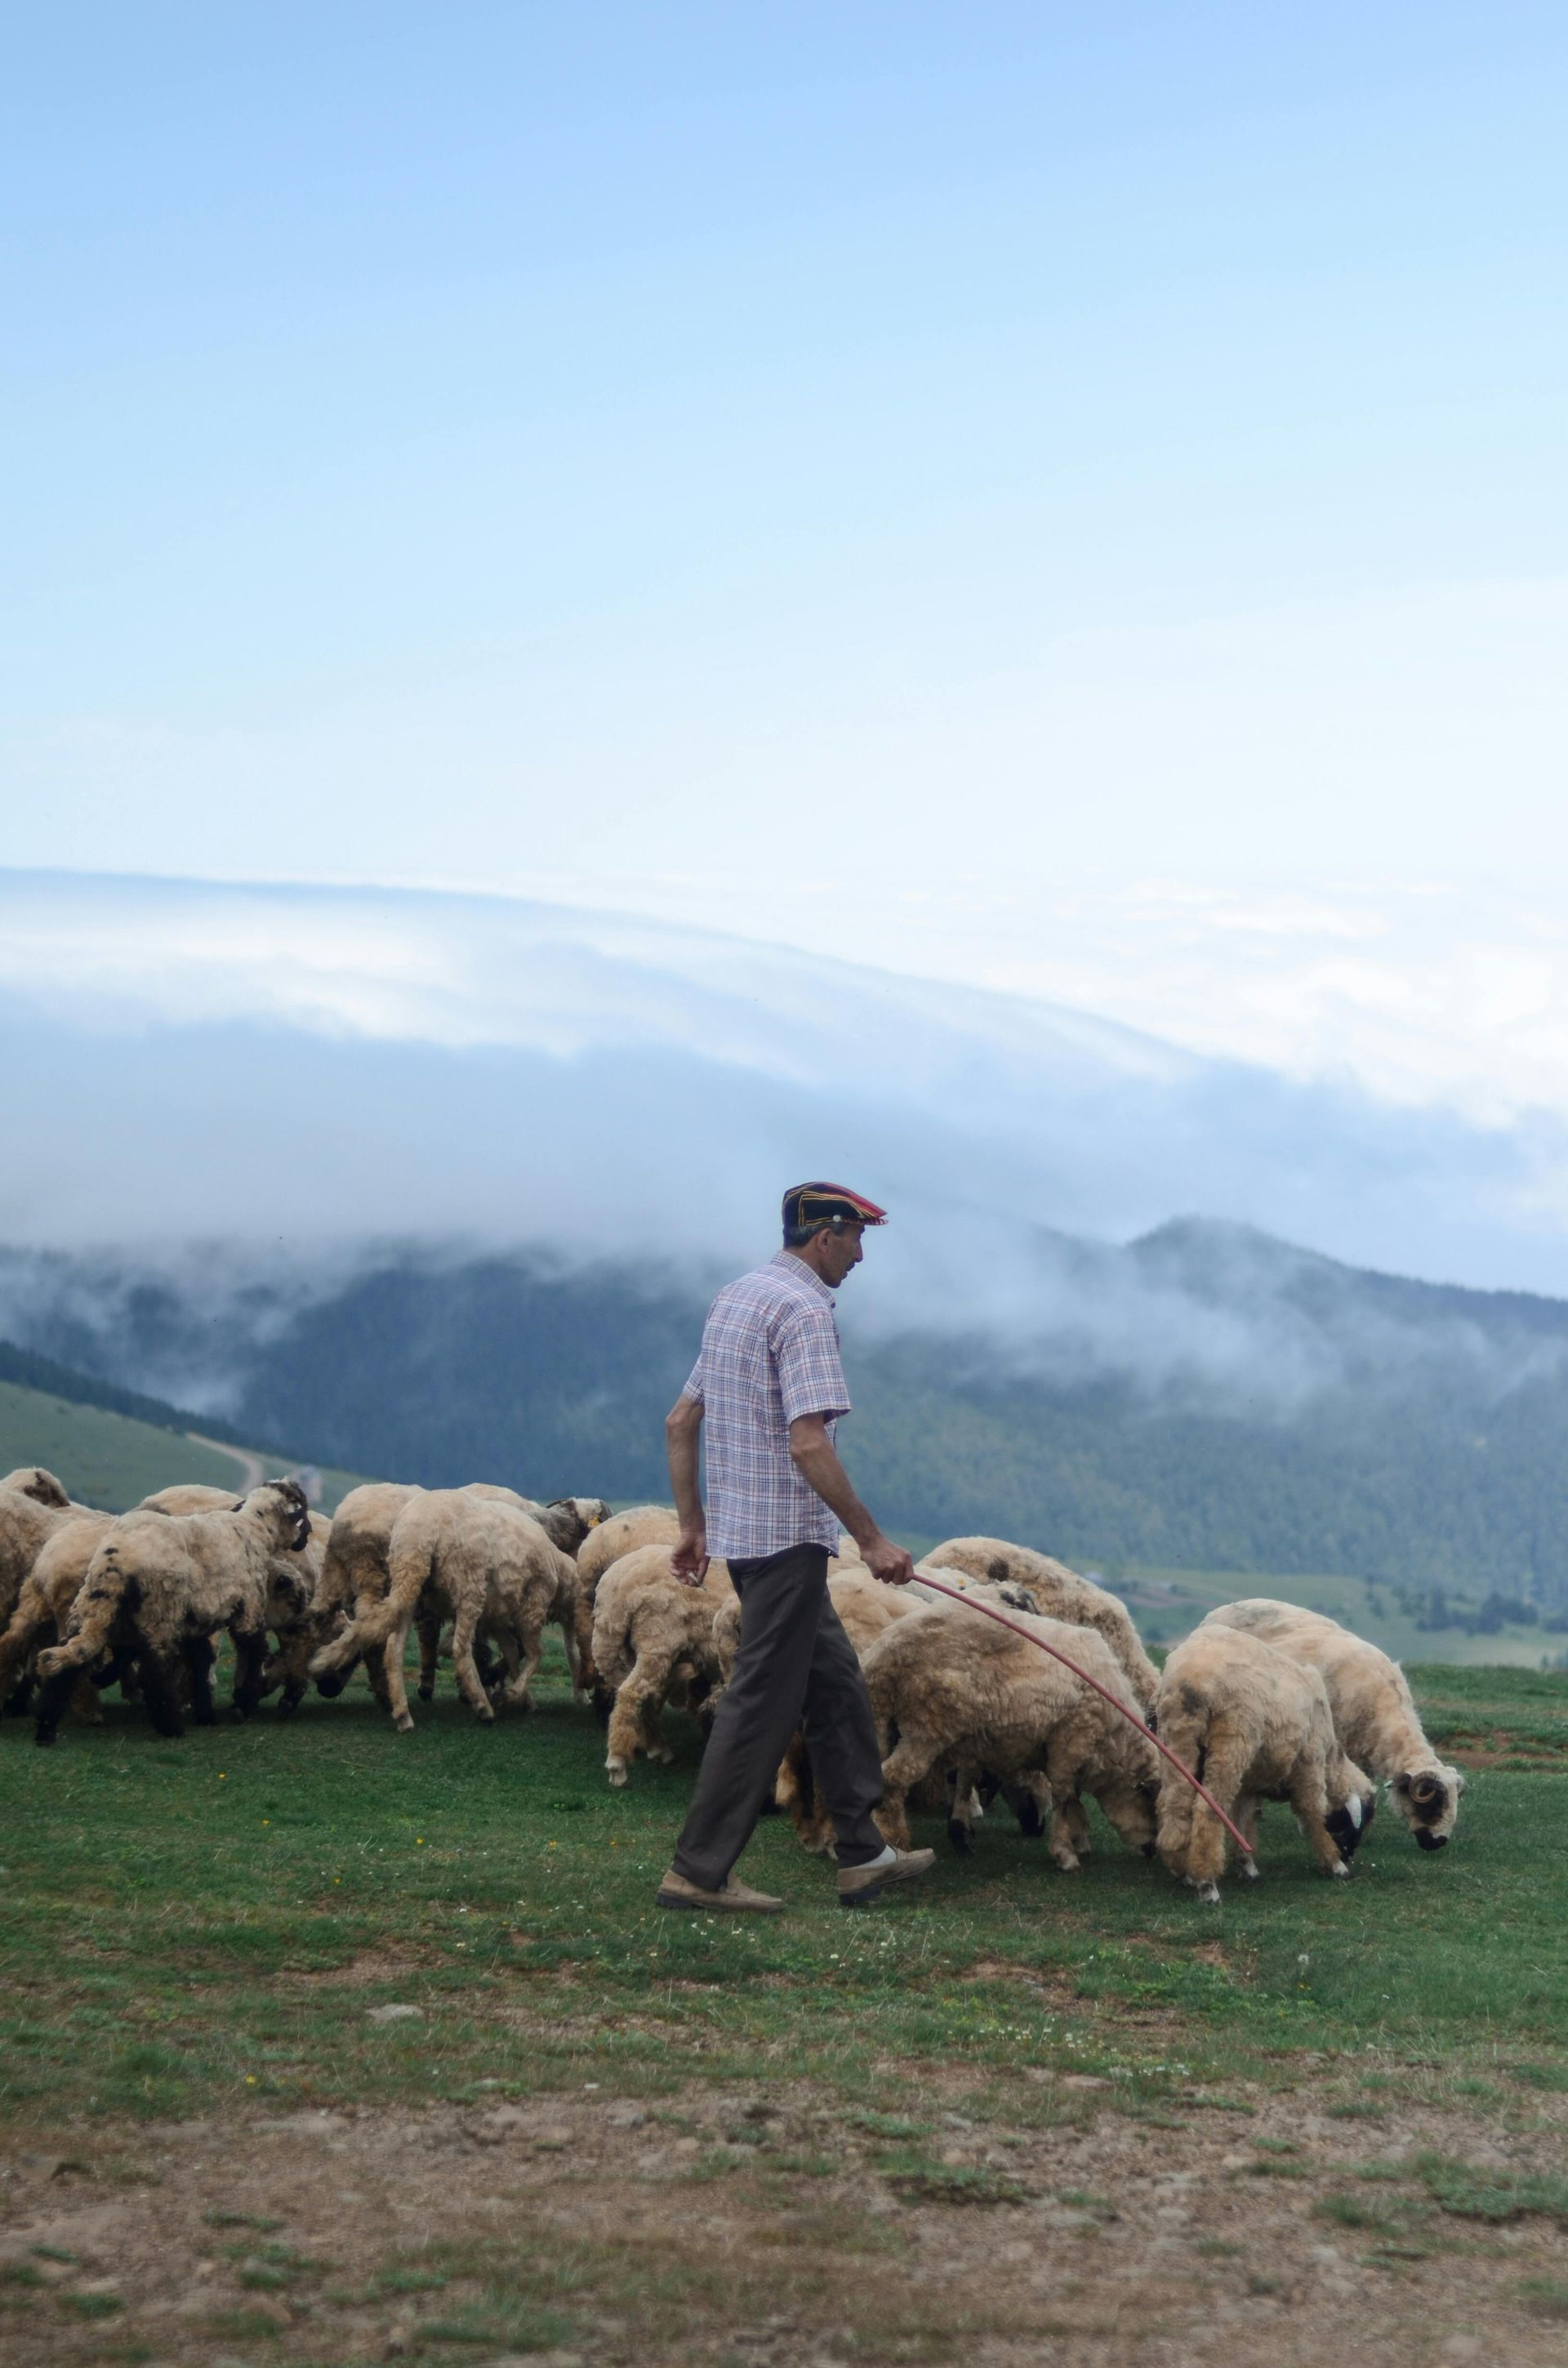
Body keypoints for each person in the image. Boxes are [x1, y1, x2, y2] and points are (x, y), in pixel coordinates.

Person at [656, 1182, 936, 1913]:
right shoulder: (806, 1309)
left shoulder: (738, 1297)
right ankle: (698, 1871)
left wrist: (693, 1525)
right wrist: (870, 1539)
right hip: (785, 1543)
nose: (861, 1253)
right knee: (760, 1704)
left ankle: (862, 1851)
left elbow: (681, 1420)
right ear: (823, 1236)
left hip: (750, 1541)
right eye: (856, 1237)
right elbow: (807, 1438)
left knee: (838, 1685)